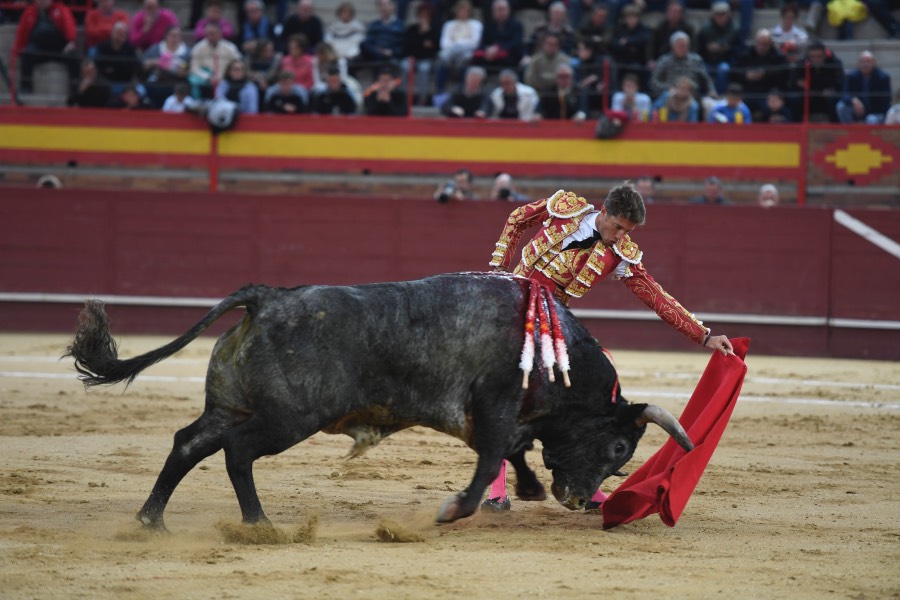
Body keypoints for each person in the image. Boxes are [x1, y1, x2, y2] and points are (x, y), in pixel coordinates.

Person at [483, 182, 733, 510]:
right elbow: (518, 218)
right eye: (617, 227)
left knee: (596, 381)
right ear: (603, 212)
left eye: (626, 231)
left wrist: (703, 335)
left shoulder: (620, 254)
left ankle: (586, 481)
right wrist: (499, 269)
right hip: (512, 307)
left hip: (554, 320)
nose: (619, 236)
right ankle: (497, 491)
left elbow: (654, 294)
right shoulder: (564, 208)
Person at [13, 0, 80, 95]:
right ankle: (26, 87)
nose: (42, 1)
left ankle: (74, 91)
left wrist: (71, 41)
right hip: (38, 49)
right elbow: (22, 32)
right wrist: (18, 49)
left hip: (59, 49)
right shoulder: (29, 12)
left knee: (73, 55)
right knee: (27, 53)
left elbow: (69, 25)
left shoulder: (61, 9)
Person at [730, 28, 789, 119]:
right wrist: (746, 75)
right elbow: (733, 72)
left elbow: (783, 75)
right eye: (759, 43)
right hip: (747, 91)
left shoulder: (778, 57)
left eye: (765, 44)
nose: (761, 47)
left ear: (771, 44)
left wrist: (765, 74)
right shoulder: (745, 54)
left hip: (768, 93)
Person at [649, 31, 716, 111]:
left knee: (709, 104)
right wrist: (667, 88)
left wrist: (711, 90)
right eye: (680, 46)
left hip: (692, 95)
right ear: (673, 47)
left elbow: (706, 79)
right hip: (670, 94)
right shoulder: (664, 61)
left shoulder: (696, 60)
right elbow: (653, 81)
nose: (683, 48)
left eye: (685, 46)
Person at [787, 40, 843, 123]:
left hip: (825, 97)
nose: (816, 59)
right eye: (813, 56)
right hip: (808, 96)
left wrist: (831, 88)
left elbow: (839, 82)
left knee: (834, 98)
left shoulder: (834, 64)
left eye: (819, 56)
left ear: (824, 55)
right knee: (793, 99)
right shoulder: (801, 64)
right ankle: (796, 127)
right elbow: (793, 82)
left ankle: (834, 127)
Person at [435, 0, 482, 95]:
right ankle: (440, 92)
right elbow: (444, 43)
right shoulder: (448, 25)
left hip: (466, 52)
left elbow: (474, 43)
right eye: (461, 10)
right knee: (442, 58)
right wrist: (456, 46)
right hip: (450, 52)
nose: (463, 13)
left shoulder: (476, 24)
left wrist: (458, 44)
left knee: (465, 59)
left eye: (465, 11)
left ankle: (462, 91)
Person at [697, 1, 741, 95]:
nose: (720, 17)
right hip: (708, 60)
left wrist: (727, 48)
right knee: (703, 69)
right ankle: (704, 95)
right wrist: (708, 48)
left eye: (723, 14)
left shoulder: (735, 29)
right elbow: (699, 48)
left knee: (723, 69)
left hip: (726, 60)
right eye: (718, 14)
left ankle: (720, 95)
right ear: (713, 15)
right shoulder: (705, 29)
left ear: (728, 15)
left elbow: (739, 49)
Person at [189, 22, 242, 99]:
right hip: (205, 78)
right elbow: (194, 68)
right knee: (192, 79)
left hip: (225, 78)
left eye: (213, 34)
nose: (210, 37)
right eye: (208, 34)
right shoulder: (198, 48)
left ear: (220, 34)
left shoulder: (230, 48)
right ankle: (197, 102)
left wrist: (226, 75)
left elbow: (238, 62)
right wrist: (207, 77)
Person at [836, 51, 892, 124]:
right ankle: (851, 130)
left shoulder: (883, 77)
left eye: (868, 61)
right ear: (859, 63)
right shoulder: (851, 76)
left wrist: (869, 111)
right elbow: (844, 94)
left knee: (871, 120)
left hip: (876, 112)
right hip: (857, 110)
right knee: (841, 107)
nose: (865, 64)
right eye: (862, 61)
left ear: (874, 63)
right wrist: (853, 100)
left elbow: (885, 101)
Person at [401, 1, 440, 106]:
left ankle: (422, 99)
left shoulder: (434, 31)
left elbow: (434, 49)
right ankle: (403, 97)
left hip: (426, 59)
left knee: (424, 69)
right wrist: (423, 43)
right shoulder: (412, 29)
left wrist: (426, 33)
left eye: (427, 15)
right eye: (422, 14)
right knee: (404, 66)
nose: (424, 17)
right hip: (411, 58)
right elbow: (408, 46)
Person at [470, 0, 524, 71]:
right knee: (475, 61)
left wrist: (498, 48)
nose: (500, 12)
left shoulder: (516, 25)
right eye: (498, 9)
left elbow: (516, 43)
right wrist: (488, 49)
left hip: (508, 55)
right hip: (489, 56)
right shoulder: (488, 25)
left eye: (503, 9)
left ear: (508, 10)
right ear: (493, 11)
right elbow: (482, 44)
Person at [356, 0, 405, 76]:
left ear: (393, 6)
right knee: (362, 45)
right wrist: (378, 50)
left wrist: (391, 52)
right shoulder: (373, 25)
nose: (384, 7)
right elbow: (368, 42)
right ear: (378, 8)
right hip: (375, 52)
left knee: (377, 61)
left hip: (390, 55)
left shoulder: (400, 25)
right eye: (381, 5)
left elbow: (403, 46)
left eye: (387, 4)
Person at [609, 4, 651, 89]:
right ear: (625, 18)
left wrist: (627, 42)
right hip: (621, 59)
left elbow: (643, 40)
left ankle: (639, 91)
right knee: (613, 68)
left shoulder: (643, 29)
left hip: (638, 60)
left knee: (638, 68)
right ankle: (616, 92)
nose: (631, 20)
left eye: (634, 17)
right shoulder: (619, 29)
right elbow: (614, 44)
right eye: (629, 17)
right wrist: (630, 44)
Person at [93, 21, 141, 92]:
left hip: (125, 82)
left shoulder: (130, 49)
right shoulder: (103, 47)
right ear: (112, 33)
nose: (121, 36)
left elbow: (133, 68)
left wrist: (113, 69)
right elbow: (100, 66)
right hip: (106, 82)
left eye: (124, 34)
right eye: (119, 33)